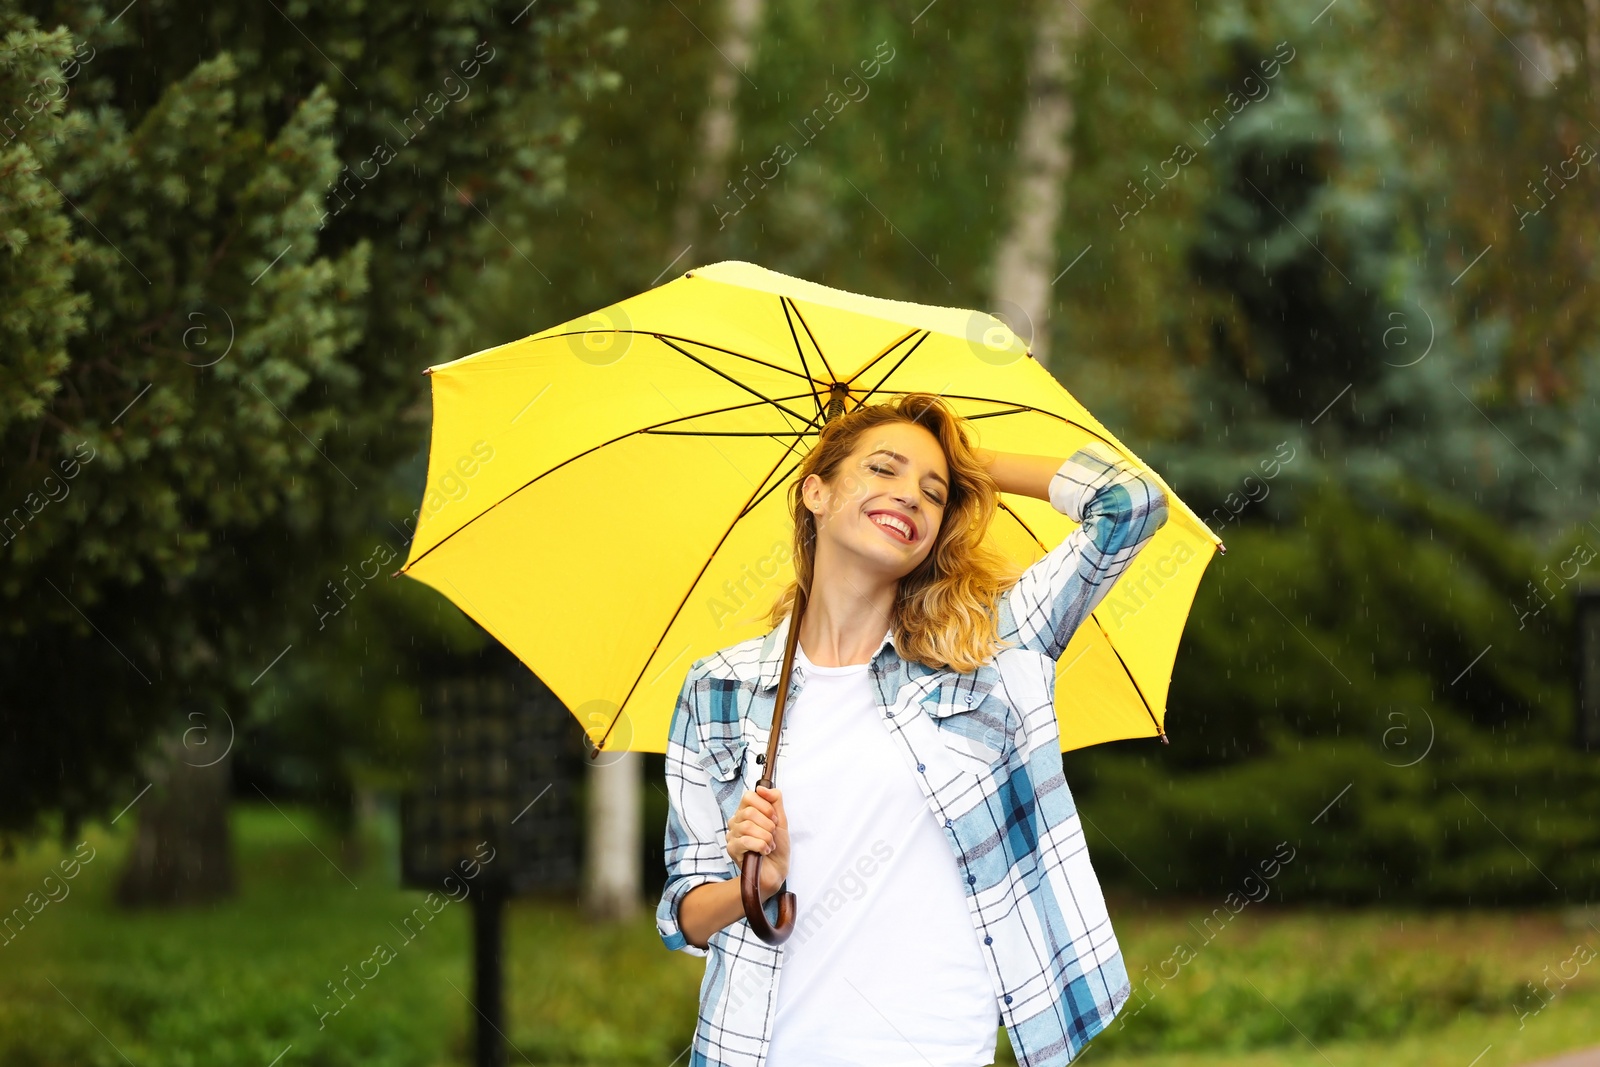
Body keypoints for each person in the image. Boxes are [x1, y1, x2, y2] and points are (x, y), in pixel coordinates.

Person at [656, 392, 1169, 1067]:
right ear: (816, 491)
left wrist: (964, 461)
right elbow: (683, 915)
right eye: (884, 470)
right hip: (753, 1051)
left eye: (934, 492)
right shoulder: (718, 687)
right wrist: (757, 880)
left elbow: (1131, 502)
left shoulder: (990, 651)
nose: (910, 497)